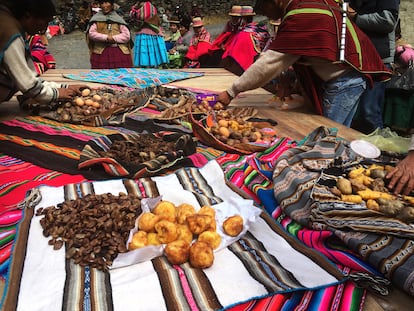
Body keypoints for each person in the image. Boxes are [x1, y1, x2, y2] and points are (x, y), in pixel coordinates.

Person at [217, 0, 391, 127]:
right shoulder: (307, 6)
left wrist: (232, 91)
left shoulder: (301, 14)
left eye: (266, 9)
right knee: (337, 135)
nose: (268, 16)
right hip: (348, 78)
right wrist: (288, 76)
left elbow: (270, 62)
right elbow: (302, 55)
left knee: (327, 137)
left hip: (345, 81)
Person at [0, 0, 86, 110]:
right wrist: (57, 94)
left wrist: (65, 87)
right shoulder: (10, 33)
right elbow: (27, 84)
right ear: (28, 16)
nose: (45, 28)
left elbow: (30, 76)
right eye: (45, 22)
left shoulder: (8, 23)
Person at [348, 0, 400, 134]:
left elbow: (387, 21)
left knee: (369, 111)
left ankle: (378, 150)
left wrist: (356, 17)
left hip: (378, 59)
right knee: (354, 112)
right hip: (357, 57)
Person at [219, 5, 270, 76]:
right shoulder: (262, 29)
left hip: (244, 66)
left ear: (242, 18)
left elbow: (234, 52)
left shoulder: (243, 33)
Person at [87, 0, 133, 69]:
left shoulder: (118, 19)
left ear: (111, 5)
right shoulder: (96, 19)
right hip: (101, 52)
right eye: (102, 3)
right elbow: (91, 33)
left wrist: (114, 38)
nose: (104, 5)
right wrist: (106, 37)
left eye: (106, 2)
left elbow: (126, 35)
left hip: (118, 52)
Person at [129, 1, 169, 68]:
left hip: (148, 30)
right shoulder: (144, 5)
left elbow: (143, 16)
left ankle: (149, 67)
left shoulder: (147, 5)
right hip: (148, 30)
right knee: (150, 52)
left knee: (147, 52)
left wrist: (134, 12)